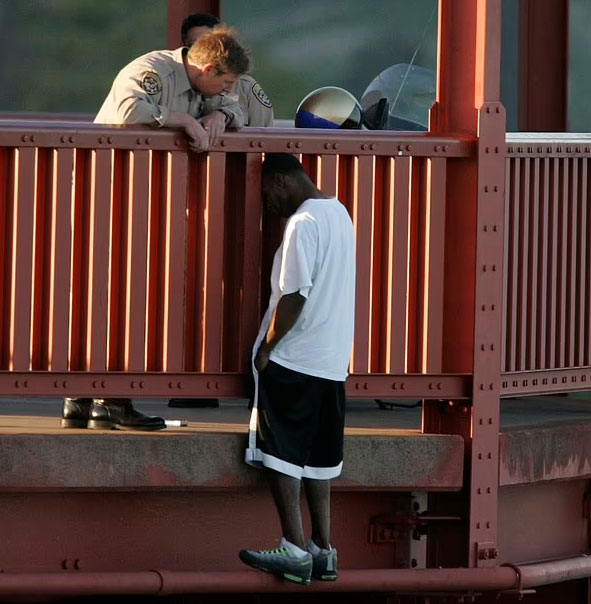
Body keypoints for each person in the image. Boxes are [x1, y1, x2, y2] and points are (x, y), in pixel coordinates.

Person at [239, 154, 356, 585]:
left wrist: (268, 349)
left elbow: (294, 295)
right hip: (331, 361)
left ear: (284, 181)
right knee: (319, 461)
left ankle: (292, 548)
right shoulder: (340, 214)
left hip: (295, 357)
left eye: (268, 191)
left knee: (282, 453)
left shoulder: (303, 224)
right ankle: (323, 550)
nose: (268, 202)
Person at [94, 26, 250, 152]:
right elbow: (128, 110)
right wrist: (184, 120)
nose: (229, 90)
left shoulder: (207, 86)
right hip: (103, 173)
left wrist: (221, 115)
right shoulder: (154, 71)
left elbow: (237, 110)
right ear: (208, 70)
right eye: (227, 82)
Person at [181, 13, 274, 127]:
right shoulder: (174, 85)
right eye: (195, 46)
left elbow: (263, 136)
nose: (204, 51)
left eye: (211, 45)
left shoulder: (246, 88)